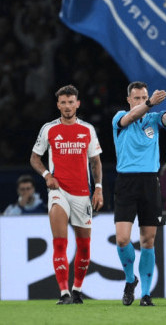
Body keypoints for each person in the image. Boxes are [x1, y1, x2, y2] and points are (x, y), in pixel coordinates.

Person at [113, 81, 166, 307]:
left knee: (148, 240)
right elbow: (130, 117)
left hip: (149, 182)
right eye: (137, 98)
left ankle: (146, 295)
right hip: (126, 182)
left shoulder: (153, 119)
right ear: (129, 100)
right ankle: (131, 279)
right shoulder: (119, 117)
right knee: (122, 239)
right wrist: (149, 103)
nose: (141, 101)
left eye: (144, 97)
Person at [28, 84, 103, 304]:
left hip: (83, 193)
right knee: (60, 243)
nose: (68, 106)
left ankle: (77, 290)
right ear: (58, 105)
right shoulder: (49, 129)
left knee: (84, 247)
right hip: (58, 191)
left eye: (71, 102)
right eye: (63, 102)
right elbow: (34, 158)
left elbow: (95, 161)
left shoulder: (88, 129)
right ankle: (64, 292)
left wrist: (98, 188)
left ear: (77, 104)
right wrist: (47, 175)